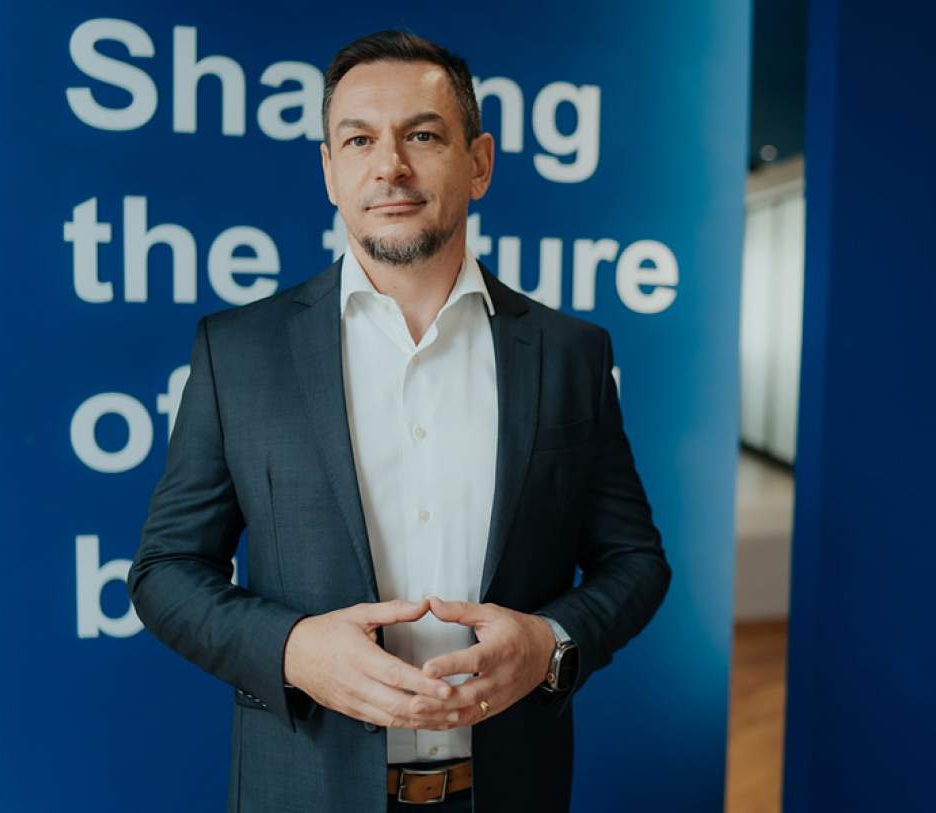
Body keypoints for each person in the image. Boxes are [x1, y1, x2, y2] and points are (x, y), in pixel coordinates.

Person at [128, 29, 670, 813]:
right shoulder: (238, 351)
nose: (390, 166)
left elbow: (635, 561)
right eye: (359, 140)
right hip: (304, 792)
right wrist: (292, 650)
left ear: (479, 162)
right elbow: (165, 570)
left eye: (422, 135)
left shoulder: (569, 354)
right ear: (330, 170)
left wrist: (549, 644)